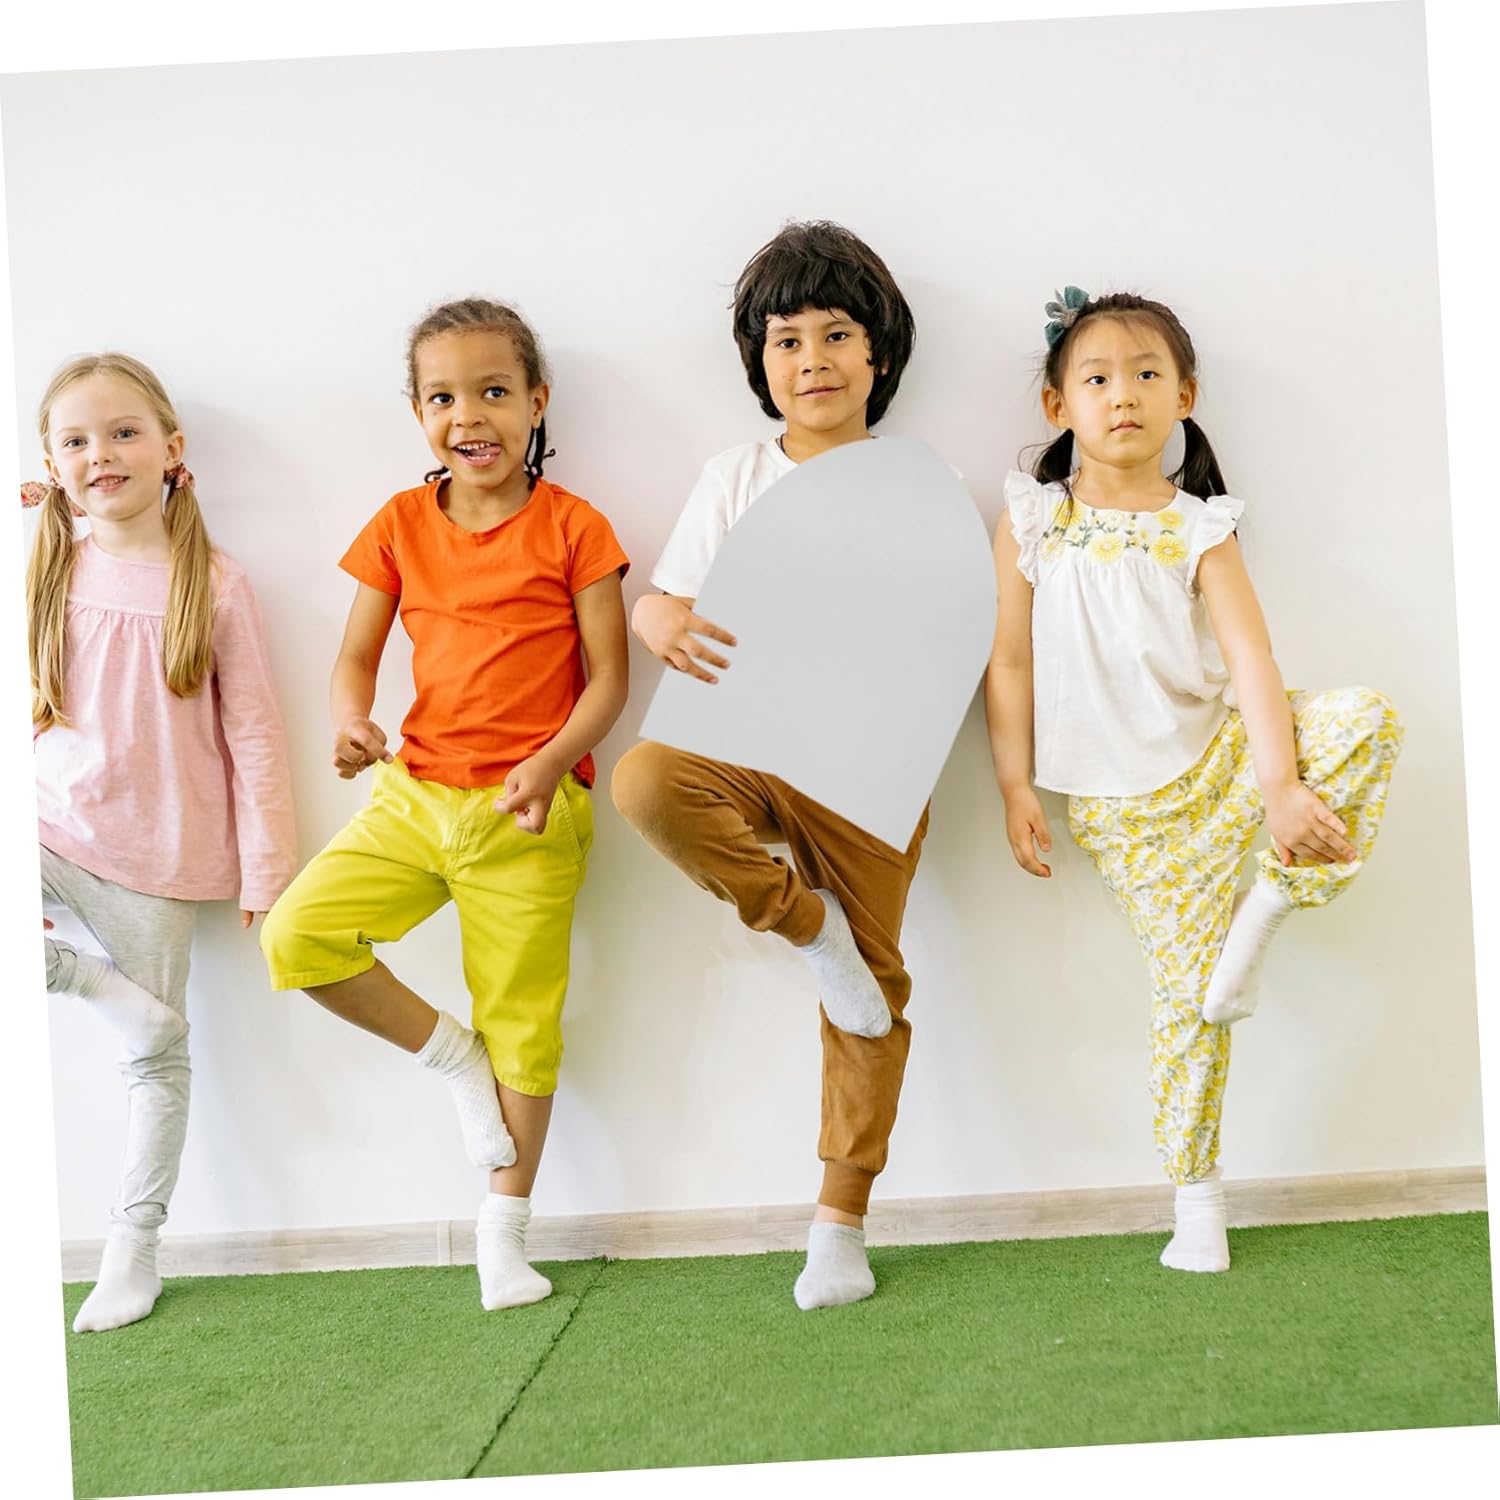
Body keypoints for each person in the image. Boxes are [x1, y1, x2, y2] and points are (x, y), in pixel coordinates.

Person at [985, 287, 1403, 1272]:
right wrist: (1014, 784)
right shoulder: (1035, 521)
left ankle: (1274, 899)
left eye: (1146, 375)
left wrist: (1281, 787)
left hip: (1220, 761)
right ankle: (1197, 1201)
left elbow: (1253, 660)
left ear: (1184, 396)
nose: (1122, 395)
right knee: (1191, 998)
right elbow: (1008, 662)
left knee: (1368, 720)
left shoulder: (1201, 528)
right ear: (1058, 405)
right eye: (1097, 378)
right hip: (1124, 813)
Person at [260, 298, 629, 1311]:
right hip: (414, 799)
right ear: (419, 413)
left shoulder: (577, 527)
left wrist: (551, 763)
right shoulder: (399, 524)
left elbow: (609, 681)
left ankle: (503, 1237)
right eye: (443, 398)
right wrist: (350, 723)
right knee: (297, 937)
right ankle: (451, 1057)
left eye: (494, 392)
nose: (470, 415)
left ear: (537, 402)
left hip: (528, 818)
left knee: (525, 1027)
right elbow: (354, 657)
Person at [611, 220, 926, 1310]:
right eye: (787, 341)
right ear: (760, 362)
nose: (813, 360)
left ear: (878, 351)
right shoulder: (736, 474)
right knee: (646, 780)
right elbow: (669, 598)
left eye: (836, 335)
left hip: (873, 765)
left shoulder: (916, 484)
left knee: (873, 993)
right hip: (745, 744)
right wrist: (652, 614)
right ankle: (806, 925)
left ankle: (840, 1223)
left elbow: (940, 634)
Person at [27, 352, 296, 1332]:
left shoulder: (214, 583)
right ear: (51, 466)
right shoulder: (44, 564)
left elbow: (255, 732)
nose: (101, 453)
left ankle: (131, 1250)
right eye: (76, 440)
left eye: (123, 432)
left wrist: (269, 867)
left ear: (171, 449)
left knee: (159, 1063)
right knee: (145, 1025)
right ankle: (101, 993)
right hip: (51, 825)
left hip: (161, 862)